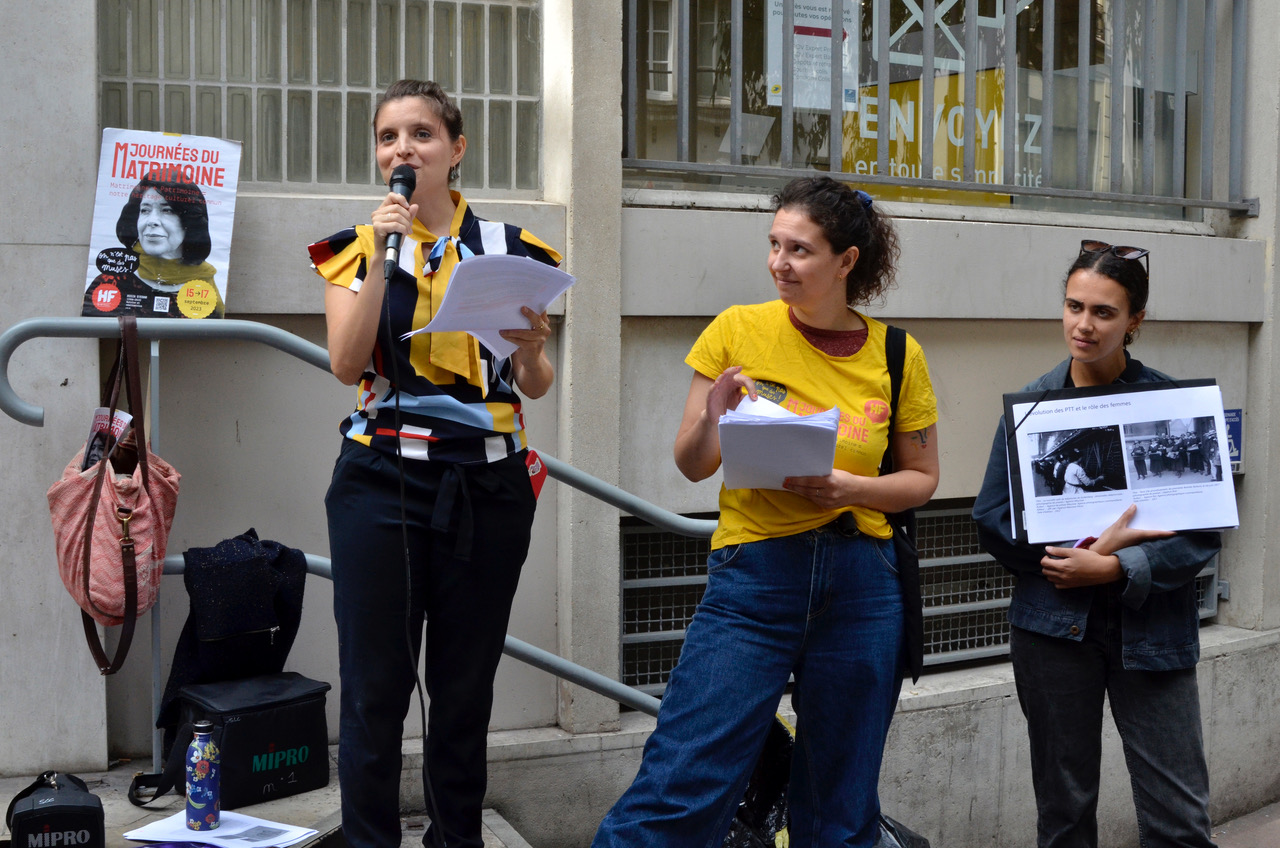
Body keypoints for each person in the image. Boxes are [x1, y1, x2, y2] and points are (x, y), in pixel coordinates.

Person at [592, 176, 940, 848]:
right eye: (774, 244)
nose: (780, 262)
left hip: (864, 585)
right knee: (684, 778)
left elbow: (922, 480)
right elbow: (693, 463)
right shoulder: (737, 329)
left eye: (800, 250)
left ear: (847, 261)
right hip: (755, 575)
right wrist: (713, 418)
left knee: (840, 803)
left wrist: (849, 488)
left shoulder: (899, 355)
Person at [307, 79, 562, 848]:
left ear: (456, 149)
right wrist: (387, 253)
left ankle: (457, 839)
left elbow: (534, 389)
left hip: (488, 482)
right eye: (388, 137)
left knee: (463, 689)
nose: (402, 150)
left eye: (420, 134)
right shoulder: (356, 249)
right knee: (376, 691)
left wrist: (533, 350)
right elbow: (346, 360)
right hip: (380, 480)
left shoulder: (511, 250)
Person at [972, 240, 1221, 848]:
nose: (1083, 325)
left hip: (1153, 629)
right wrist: (1069, 559)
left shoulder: (1174, 405)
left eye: (1103, 312)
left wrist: (1114, 568)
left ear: (1134, 320)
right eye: (1073, 306)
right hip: (1053, 629)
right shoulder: (1032, 409)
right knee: (1064, 811)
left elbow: (1203, 533)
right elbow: (992, 517)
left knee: (1180, 816)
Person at [84, 168, 225, 318]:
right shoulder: (111, 282)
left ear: (190, 221)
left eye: (167, 210)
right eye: (145, 210)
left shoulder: (205, 288)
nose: (152, 221)